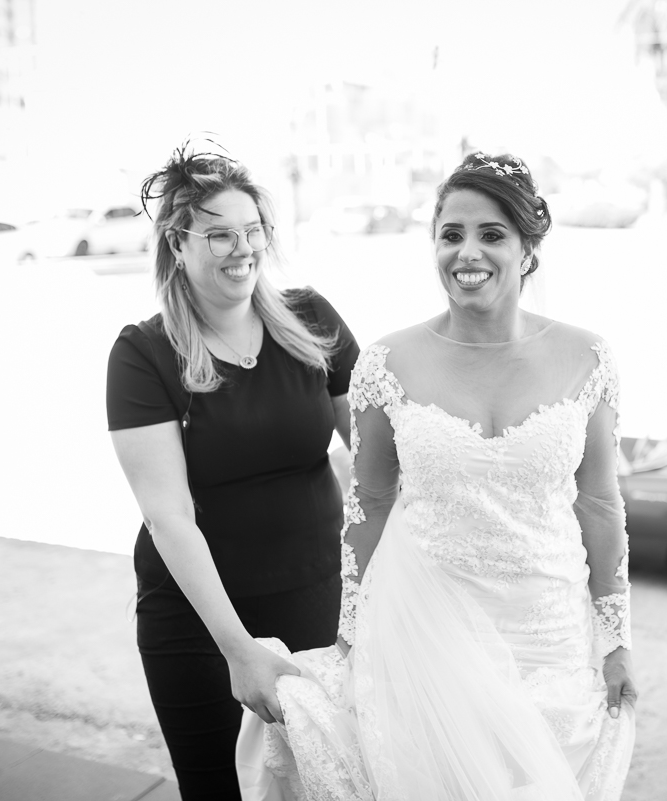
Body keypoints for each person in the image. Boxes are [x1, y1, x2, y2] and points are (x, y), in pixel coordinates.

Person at [235, 152, 637, 799]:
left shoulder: (587, 355)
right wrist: (352, 632)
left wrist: (616, 639)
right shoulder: (388, 360)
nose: (467, 251)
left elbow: (599, 501)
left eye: (491, 233)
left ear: (529, 248)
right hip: (426, 631)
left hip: (551, 633)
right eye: (451, 234)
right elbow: (368, 503)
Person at [106, 146, 359, 799]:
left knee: (323, 782)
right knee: (219, 788)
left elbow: (379, 458)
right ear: (177, 242)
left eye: (252, 231)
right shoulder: (143, 354)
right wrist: (237, 647)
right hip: (198, 621)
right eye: (219, 233)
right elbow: (169, 516)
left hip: (314, 599)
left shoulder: (311, 320)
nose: (241, 248)